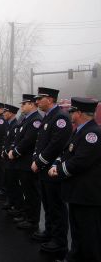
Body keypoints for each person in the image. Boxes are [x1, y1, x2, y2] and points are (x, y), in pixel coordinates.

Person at [48, 97, 101, 262]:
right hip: (77, 192)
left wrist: (59, 171)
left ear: (79, 113)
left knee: (89, 235)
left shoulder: (92, 133)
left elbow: (81, 161)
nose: (70, 114)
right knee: (77, 232)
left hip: (87, 194)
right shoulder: (79, 130)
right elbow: (66, 152)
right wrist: (57, 163)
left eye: (72, 111)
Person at [32, 87, 72, 253]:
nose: (37, 102)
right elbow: (40, 141)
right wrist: (36, 158)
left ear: (49, 99)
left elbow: (56, 145)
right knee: (47, 204)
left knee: (56, 206)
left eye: (40, 98)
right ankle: (49, 232)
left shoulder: (60, 117)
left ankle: (59, 241)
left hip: (52, 169)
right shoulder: (48, 116)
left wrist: (39, 161)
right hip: (43, 169)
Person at [8, 94, 43, 231]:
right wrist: (13, 149)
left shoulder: (35, 120)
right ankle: (27, 215)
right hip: (22, 162)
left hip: (27, 161)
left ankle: (32, 220)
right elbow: (18, 137)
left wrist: (15, 152)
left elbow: (28, 140)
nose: (21, 106)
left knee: (31, 192)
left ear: (32, 104)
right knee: (26, 191)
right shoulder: (26, 119)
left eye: (24, 104)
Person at [0, 104, 22, 213]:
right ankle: (11, 202)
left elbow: (14, 142)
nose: (4, 114)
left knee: (13, 183)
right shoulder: (9, 124)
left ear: (12, 113)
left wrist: (6, 151)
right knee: (9, 181)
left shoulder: (16, 124)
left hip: (12, 158)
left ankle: (16, 205)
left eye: (6, 112)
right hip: (7, 157)